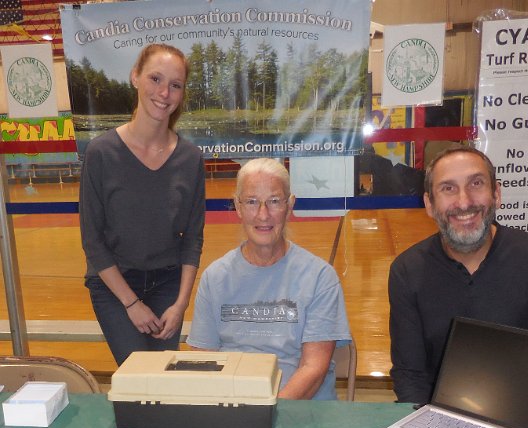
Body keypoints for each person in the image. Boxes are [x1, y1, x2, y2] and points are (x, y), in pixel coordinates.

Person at [388, 145, 528, 404]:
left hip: (522, 414)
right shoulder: (407, 271)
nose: (464, 202)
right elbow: (410, 374)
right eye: (448, 188)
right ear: (429, 204)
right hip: (437, 414)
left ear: (496, 194)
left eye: (476, 183)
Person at [80, 44, 205, 365]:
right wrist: (131, 303)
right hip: (114, 286)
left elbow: (192, 240)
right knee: (139, 376)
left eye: (175, 85)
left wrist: (180, 304)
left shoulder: (190, 159)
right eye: (155, 79)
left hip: (168, 285)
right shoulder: (101, 153)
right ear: (135, 77)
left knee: (162, 381)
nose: (164, 92)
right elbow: (93, 242)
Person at [187, 157, 351, 400]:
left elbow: (313, 370)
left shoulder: (320, 277)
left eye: (274, 201)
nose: (263, 215)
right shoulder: (214, 277)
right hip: (233, 411)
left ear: (290, 205)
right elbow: (204, 361)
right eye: (252, 202)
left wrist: (266, 413)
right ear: (238, 207)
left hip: (300, 415)